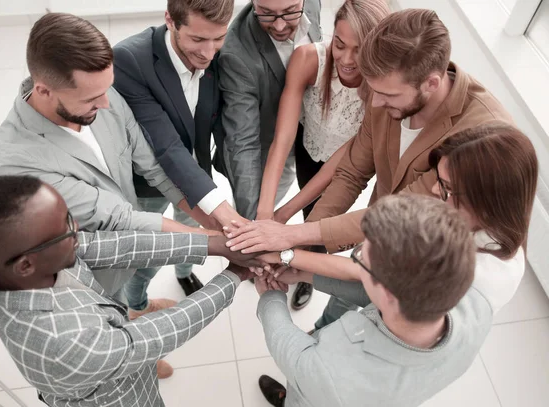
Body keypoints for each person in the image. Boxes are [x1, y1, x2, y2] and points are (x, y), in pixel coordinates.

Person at [224, 8, 513, 326]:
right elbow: (351, 173)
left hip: (431, 274)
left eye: (387, 95)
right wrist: (297, 241)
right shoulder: (383, 91)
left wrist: (289, 240)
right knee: (338, 310)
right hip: (375, 237)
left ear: (430, 83)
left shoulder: (481, 137)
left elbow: (406, 212)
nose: (373, 104)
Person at [0, 175, 260, 407]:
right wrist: (232, 276)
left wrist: (214, 245)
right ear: (25, 266)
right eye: (66, 230)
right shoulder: (66, 342)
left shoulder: (22, 260)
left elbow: (116, 247)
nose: (78, 233)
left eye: (69, 217)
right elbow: (156, 334)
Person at [259, 122, 538, 334]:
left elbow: (368, 279)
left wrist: (286, 263)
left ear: (486, 201)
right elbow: (369, 278)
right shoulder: (469, 225)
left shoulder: (468, 276)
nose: (431, 189)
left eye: (446, 188)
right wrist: (296, 267)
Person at [254, 194, 492, 407]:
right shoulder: (476, 307)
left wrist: (270, 296)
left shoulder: (331, 376)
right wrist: (305, 274)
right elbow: (373, 293)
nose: (355, 261)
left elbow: (294, 355)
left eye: (360, 260)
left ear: (387, 293)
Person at [113, 0, 244, 299]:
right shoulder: (130, 60)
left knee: (192, 241)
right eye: (198, 40)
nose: (210, 53)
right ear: (170, 20)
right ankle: (137, 302)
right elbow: (166, 146)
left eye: (218, 39)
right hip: (150, 186)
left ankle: (184, 273)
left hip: (198, 181)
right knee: (150, 256)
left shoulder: (220, 51)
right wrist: (225, 211)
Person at [219, 0, 322, 309]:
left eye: (290, 12)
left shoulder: (312, 5)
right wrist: (255, 229)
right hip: (267, 145)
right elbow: (244, 143)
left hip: (319, 136)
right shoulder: (235, 53)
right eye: (266, 13)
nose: (279, 25)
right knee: (267, 203)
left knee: (317, 211)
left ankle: (309, 273)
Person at [257, 0, 390, 223]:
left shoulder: (382, 92)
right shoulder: (307, 59)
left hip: (346, 168)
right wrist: (264, 212)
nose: (346, 60)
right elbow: (282, 140)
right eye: (339, 45)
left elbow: (342, 161)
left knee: (319, 228)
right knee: (306, 213)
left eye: (359, 50)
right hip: (307, 150)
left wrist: (282, 214)